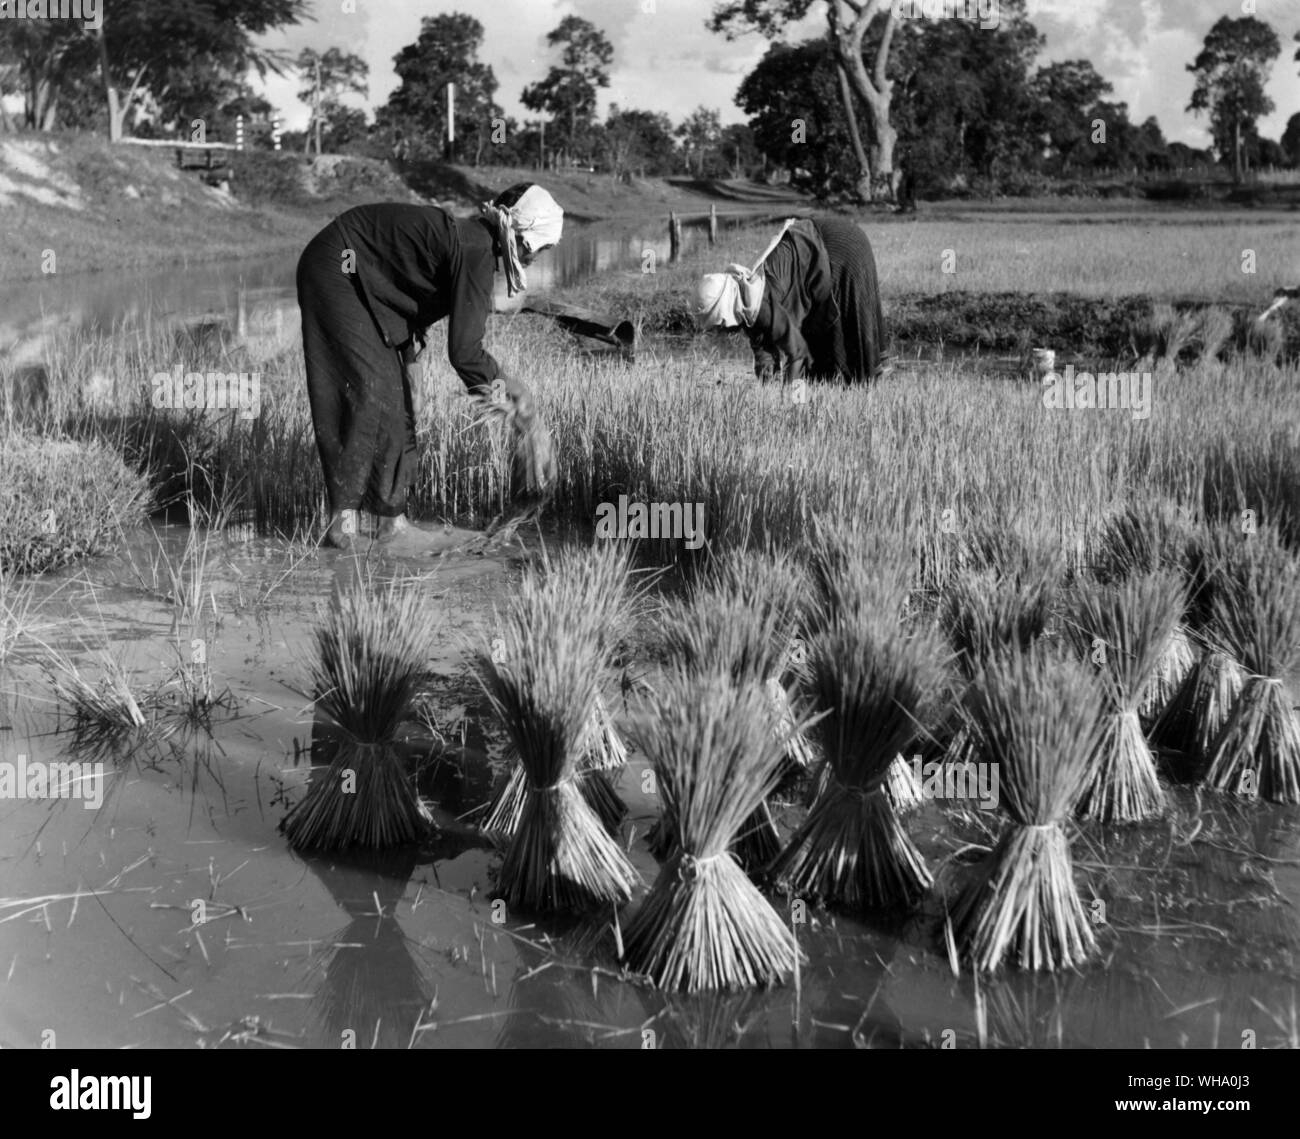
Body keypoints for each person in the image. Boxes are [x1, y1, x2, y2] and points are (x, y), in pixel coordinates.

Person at [296, 183, 562, 552]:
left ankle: (391, 522)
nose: (539, 255)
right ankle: (341, 527)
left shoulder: (472, 245)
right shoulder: (475, 250)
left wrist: (410, 363)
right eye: (541, 246)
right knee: (369, 395)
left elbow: (405, 291)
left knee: (401, 402)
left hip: (372, 290)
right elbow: (466, 353)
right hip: (339, 266)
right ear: (522, 234)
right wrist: (514, 400)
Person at [694, 217, 887, 385]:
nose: (721, 332)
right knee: (820, 369)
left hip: (841, 248)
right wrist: (765, 361)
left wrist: (792, 402)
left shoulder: (765, 306)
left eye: (718, 325)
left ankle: (867, 398)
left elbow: (799, 355)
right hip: (826, 238)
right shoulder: (747, 295)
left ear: (724, 313)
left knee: (851, 363)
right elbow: (761, 332)